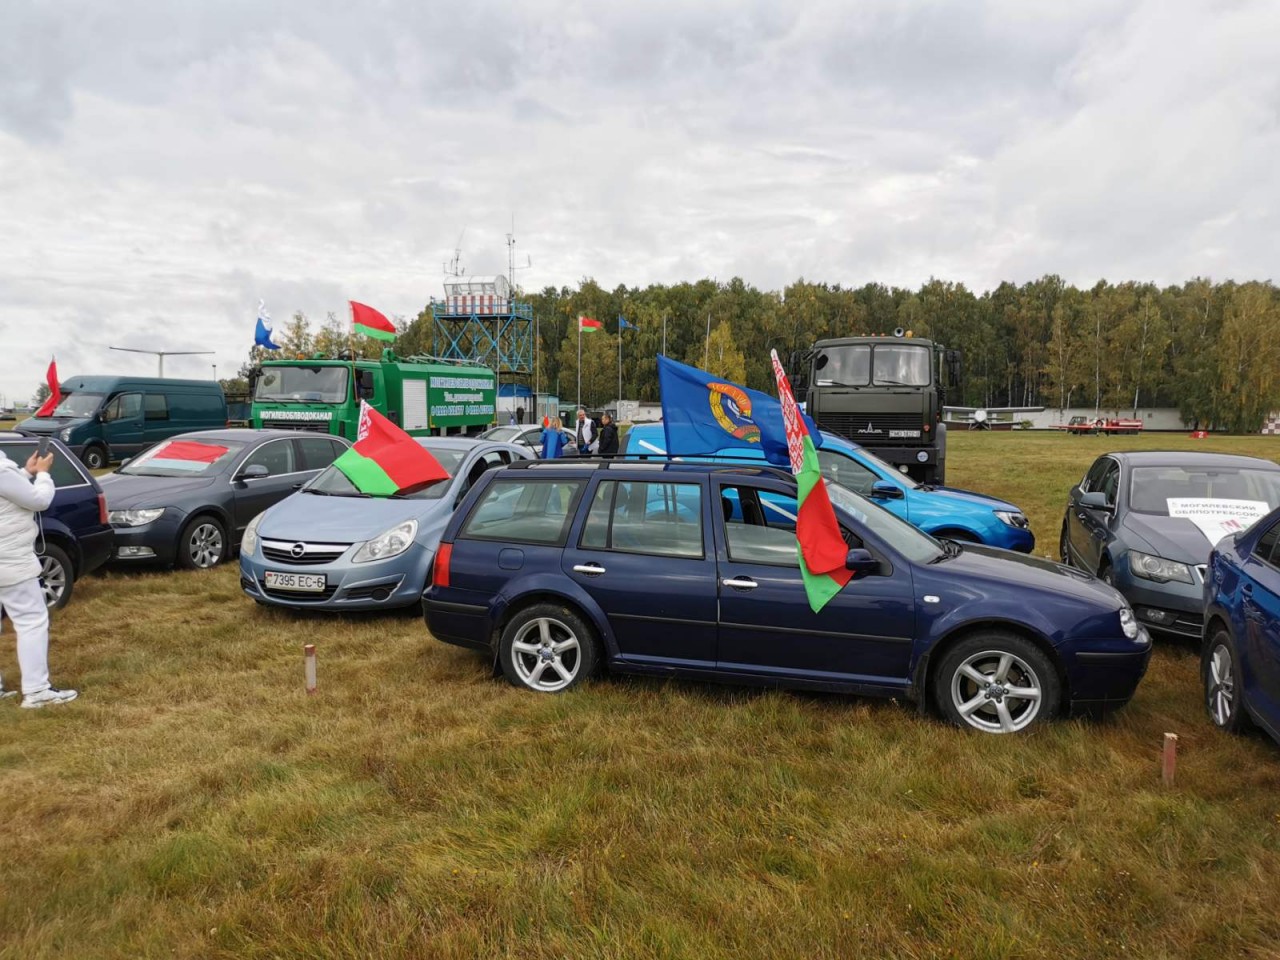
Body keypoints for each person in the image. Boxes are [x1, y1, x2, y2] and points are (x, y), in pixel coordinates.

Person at [0, 447, 77, 708]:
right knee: (31, 621)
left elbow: (8, 492)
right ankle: (37, 691)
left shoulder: (6, 474)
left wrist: (25, 472)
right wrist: (43, 474)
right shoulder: (2, 471)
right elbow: (39, 500)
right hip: (10, 561)